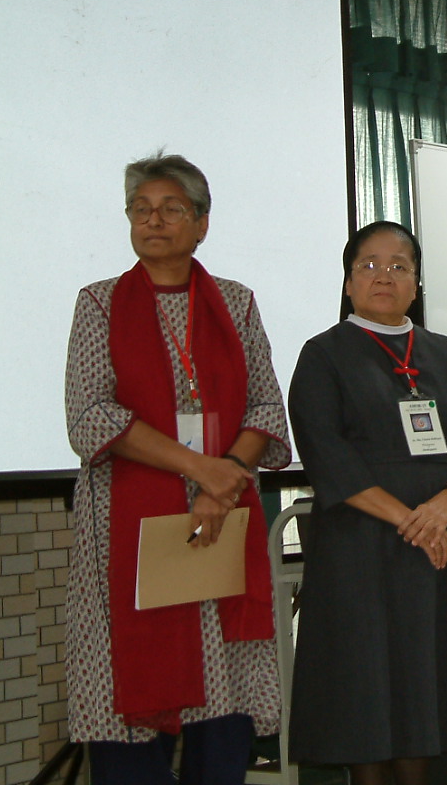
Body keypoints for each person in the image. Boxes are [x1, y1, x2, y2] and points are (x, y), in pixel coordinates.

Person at [63, 152, 290, 785]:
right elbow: (90, 418)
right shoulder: (99, 303)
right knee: (131, 723)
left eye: (170, 209)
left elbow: (267, 410)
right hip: (130, 542)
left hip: (220, 531)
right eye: (140, 209)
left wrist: (221, 483)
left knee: (222, 716)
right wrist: (201, 468)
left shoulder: (237, 304)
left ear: (202, 223)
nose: (152, 220)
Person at [286, 221, 447, 784]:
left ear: (416, 283)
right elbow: (327, 452)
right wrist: (415, 521)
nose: (383, 276)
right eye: (369, 265)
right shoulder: (323, 355)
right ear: (347, 282)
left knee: (428, 683)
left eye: (399, 266)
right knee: (367, 688)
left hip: (441, 542)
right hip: (361, 546)